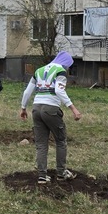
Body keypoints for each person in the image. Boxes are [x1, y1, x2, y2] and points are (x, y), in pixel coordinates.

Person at [20, 51, 82, 184]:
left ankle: (42, 176)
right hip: (51, 108)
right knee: (60, 140)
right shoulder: (60, 71)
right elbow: (59, 90)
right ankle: (61, 173)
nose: (67, 68)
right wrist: (73, 108)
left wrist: (23, 108)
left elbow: (27, 91)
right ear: (65, 63)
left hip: (36, 108)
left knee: (41, 143)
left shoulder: (39, 70)